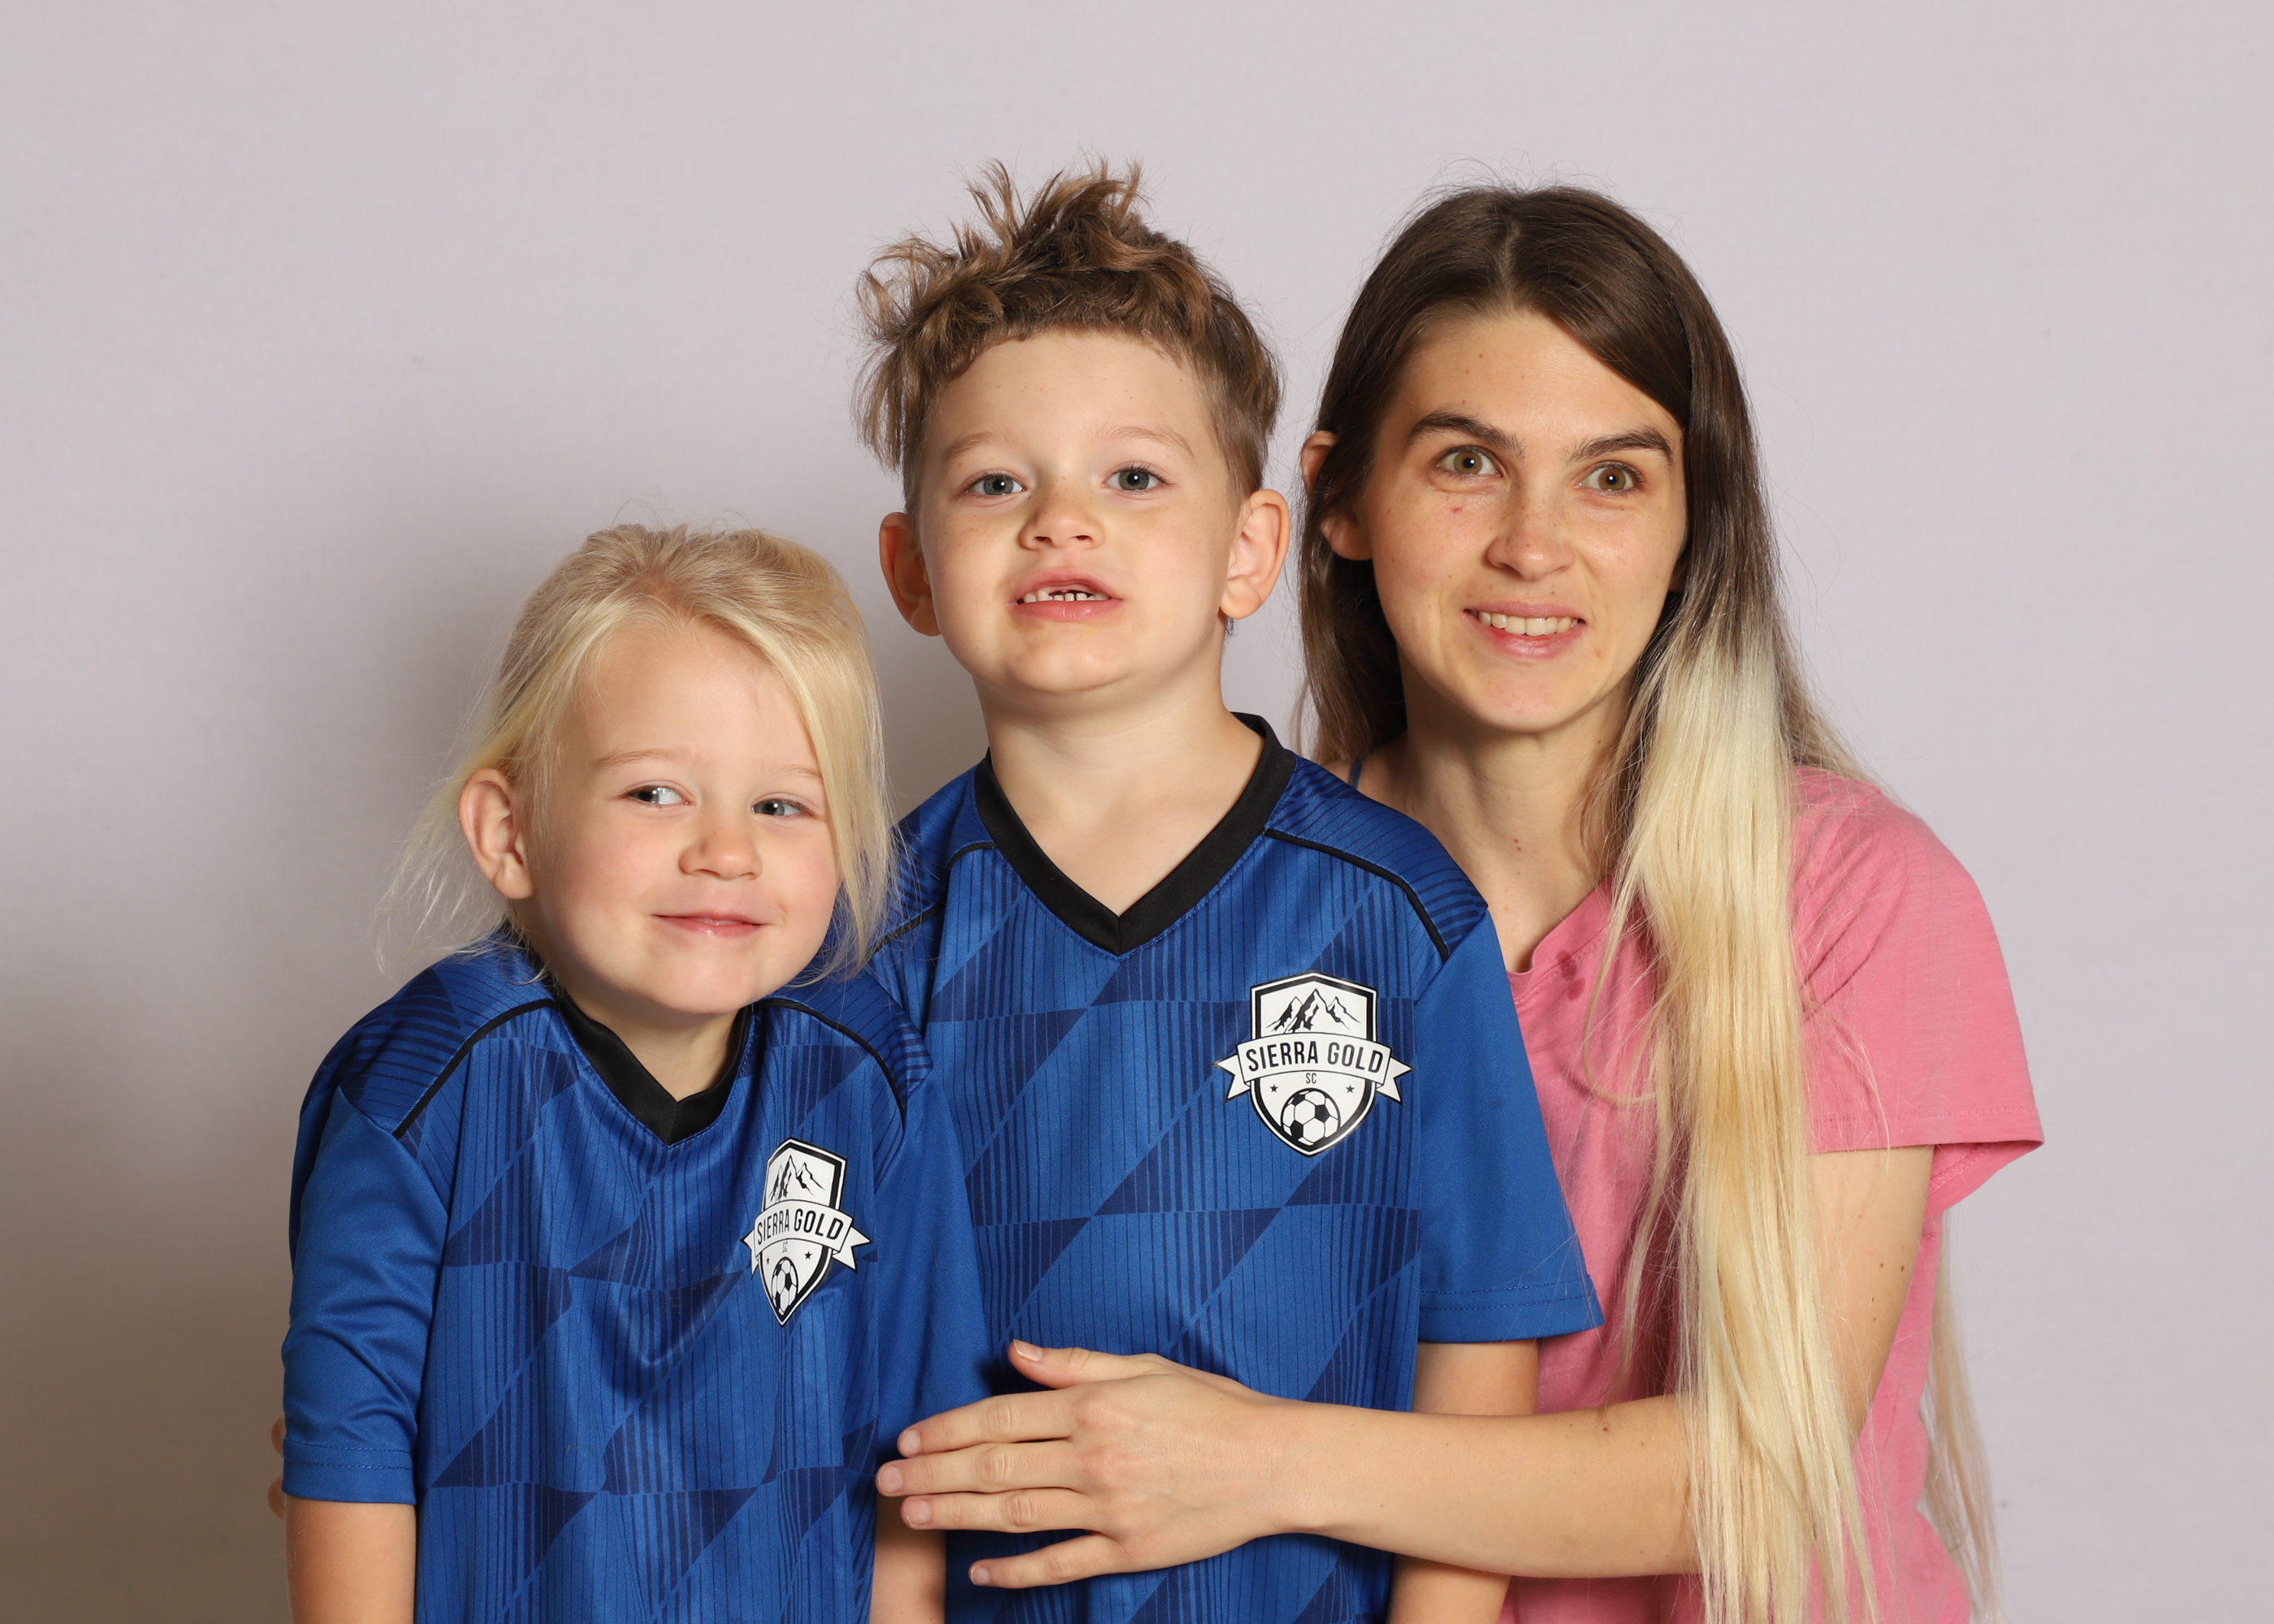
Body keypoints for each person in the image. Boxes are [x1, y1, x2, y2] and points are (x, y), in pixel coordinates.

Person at [874, 187, 2043, 1624]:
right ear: (1338, 502)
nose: (1534, 546)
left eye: (1614, 477)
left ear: (1695, 525)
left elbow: (1766, 1467)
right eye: (1468, 463)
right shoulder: (1246, 904)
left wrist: (1254, 1462)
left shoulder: (1854, 896)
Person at [854, 165, 1600, 1624]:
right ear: (913, 569)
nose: (1061, 522)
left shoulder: (1400, 912)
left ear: (1250, 550)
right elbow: (839, 1393)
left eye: (1133, 478)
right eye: (996, 482)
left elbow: (1478, 1350)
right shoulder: (864, 952)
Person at [279, 525, 991, 1624]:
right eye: (657, 794)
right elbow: (348, 1456)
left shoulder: (873, 1078)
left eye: (781, 806)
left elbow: (916, 1479)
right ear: (510, 831)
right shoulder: (427, 1080)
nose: (726, 852)